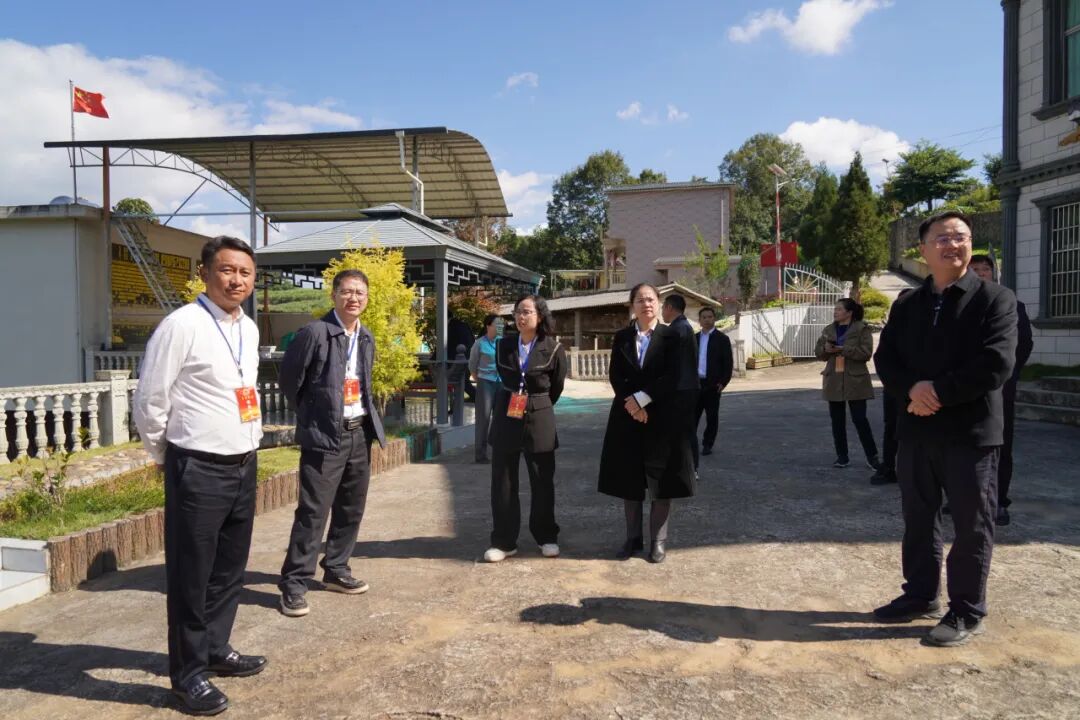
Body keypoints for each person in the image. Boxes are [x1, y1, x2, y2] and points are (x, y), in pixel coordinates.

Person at [132, 236, 267, 716]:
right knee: (192, 575)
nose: (237, 280)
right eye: (227, 270)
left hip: (243, 461)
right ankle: (187, 675)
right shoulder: (182, 325)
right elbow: (151, 398)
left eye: (245, 273)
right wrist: (163, 455)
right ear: (206, 273)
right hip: (197, 466)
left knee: (230, 568)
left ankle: (215, 648)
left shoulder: (247, 328)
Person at [872, 210, 1017, 647]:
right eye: (942, 238)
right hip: (916, 431)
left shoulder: (995, 299)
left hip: (970, 434)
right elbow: (886, 358)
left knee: (972, 525)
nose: (953, 244)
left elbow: (996, 363)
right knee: (918, 519)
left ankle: (967, 609)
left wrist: (935, 392)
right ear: (923, 249)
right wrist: (911, 390)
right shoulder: (907, 305)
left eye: (961, 237)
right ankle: (920, 595)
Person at [277, 269, 387, 618]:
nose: (354, 298)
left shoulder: (365, 336)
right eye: (347, 291)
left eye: (360, 292)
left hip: (359, 433)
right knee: (313, 511)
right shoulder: (315, 333)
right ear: (334, 295)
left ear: (366, 298)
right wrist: (314, 416)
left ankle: (336, 568)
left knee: (351, 507)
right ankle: (294, 583)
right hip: (325, 434)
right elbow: (289, 381)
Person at [598, 283, 696, 563]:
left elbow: (674, 375)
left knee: (661, 480)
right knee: (629, 479)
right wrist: (632, 403)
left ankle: (658, 541)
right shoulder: (622, 337)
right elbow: (616, 375)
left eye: (651, 299)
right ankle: (632, 539)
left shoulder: (672, 336)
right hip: (627, 416)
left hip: (662, 416)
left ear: (659, 303)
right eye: (640, 300)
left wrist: (643, 399)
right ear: (633, 305)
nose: (646, 304)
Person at [484, 295, 567, 562]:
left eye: (527, 312)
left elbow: (556, 386)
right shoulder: (503, 345)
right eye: (518, 311)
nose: (521, 317)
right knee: (503, 481)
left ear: (539, 316)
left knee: (542, 481)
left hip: (539, 415)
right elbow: (505, 376)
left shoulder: (553, 348)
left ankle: (546, 536)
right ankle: (504, 541)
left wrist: (536, 403)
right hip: (507, 414)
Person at [968, 254, 1033, 526]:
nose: (981, 273)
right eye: (975, 269)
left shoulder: (1012, 305)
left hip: (999, 389)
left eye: (986, 269)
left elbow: (1024, 344)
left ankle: (999, 501)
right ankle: (965, 497)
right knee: (962, 445)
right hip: (963, 389)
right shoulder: (956, 305)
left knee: (1000, 445)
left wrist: (1007, 376)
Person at [815, 298, 880, 470]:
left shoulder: (862, 329)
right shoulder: (829, 329)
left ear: (849, 312)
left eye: (839, 309)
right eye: (835, 309)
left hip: (856, 379)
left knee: (860, 419)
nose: (835, 312)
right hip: (834, 379)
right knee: (837, 421)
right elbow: (819, 354)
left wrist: (844, 349)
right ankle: (842, 457)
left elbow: (866, 353)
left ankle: (872, 457)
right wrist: (825, 350)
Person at [870, 288, 915, 486]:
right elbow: (882, 358)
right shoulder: (893, 329)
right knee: (892, 428)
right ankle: (889, 467)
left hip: (919, 390)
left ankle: (914, 471)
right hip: (894, 389)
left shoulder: (928, 327)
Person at [660, 294, 701, 470]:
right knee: (684, 429)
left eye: (663, 308)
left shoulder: (677, 329)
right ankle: (688, 467)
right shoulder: (684, 327)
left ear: (669, 308)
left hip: (681, 388)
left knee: (684, 430)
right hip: (687, 386)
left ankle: (691, 468)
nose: (662, 312)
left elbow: (669, 362)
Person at [694, 307, 734, 459]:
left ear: (714, 319)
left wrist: (723, 382)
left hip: (713, 385)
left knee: (712, 417)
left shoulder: (722, 339)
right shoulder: (694, 339)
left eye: (710, 317)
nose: (707, 319)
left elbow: (728, 363)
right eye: (704, 317)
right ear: (699, 320)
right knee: (692, 417)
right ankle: (690, 443)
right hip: (696, 384)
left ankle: (708, 444)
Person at [469, 314, 501, 463]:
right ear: (488, 326)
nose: (500, 327)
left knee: (501, 418)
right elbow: (472, 365)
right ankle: (480, 454)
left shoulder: (502, 342)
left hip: (501, 383)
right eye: (497, 324)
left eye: (501, 324)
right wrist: (479, 379)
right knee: (483, 418)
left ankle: (500, 451)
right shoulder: (479, 343)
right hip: (485, 382)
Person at [448, 310, 475, 404]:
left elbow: (448, 344)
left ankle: (475, 396)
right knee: (463, 380)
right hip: (469, 357)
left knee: (461, 380)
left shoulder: (452, 327)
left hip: (459, 359)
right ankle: (457, 403)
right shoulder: (463, 325)